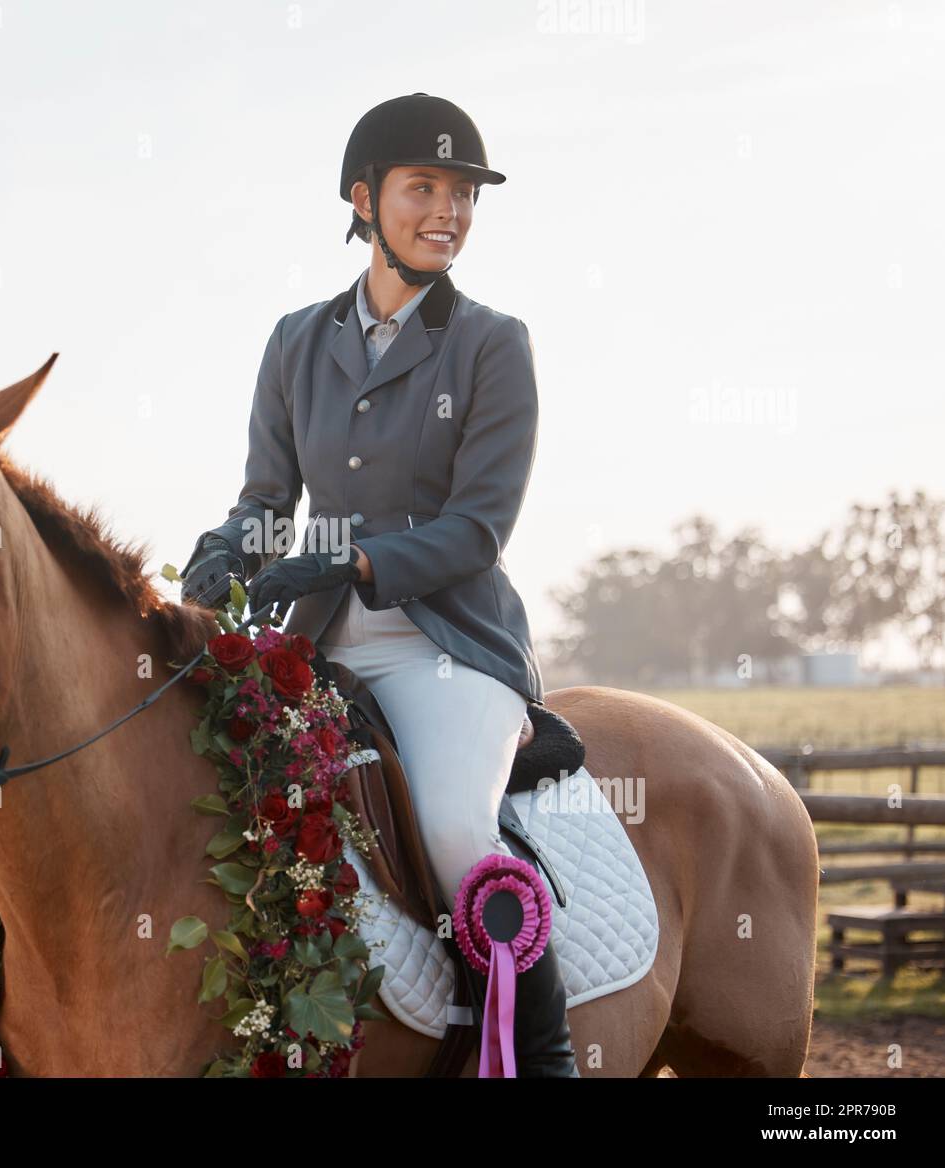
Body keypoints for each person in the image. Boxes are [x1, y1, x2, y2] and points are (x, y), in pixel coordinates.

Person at [181, 94, 578, 1077]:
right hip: (316, 646)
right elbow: (267, 498)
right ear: (364, 198)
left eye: (462, 194)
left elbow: (478, 526)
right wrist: (226, 548)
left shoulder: (493, 343)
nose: (447, 211)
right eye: (424, 188)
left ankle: (542, 1055)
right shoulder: (295, 341)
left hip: (445, 649)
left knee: (452, 825)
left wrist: (356, 562)